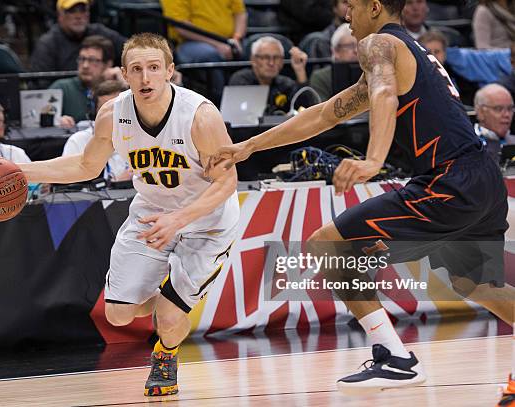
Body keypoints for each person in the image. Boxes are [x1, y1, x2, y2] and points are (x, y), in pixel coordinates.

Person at [210, 0, 514, 397]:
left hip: (448, 180)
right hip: (482, 178)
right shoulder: (406, 49)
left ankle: (394, 358)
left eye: (351, 6)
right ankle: (394, 357)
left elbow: (386, 93)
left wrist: (374, 159)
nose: (346, 15)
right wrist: (248, 146)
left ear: (374, 6)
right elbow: (324, 115)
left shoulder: (379, 44)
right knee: (477, 285)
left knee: (327, 244)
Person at [18, 33, 239, 397]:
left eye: (154, 68)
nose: (145, 77)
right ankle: (170, 299)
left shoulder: (200, 116)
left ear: (170, 71)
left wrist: (180, 219)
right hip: (151, 215)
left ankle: (166, 352)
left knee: (168, 319)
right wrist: (23, 171)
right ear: (124, 74)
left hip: (206, 221)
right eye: (136, 69)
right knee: (118, 314)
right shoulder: (113, 114)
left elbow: (227, 182)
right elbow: (87, 165)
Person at [161, 0, 247, 98]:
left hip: (231, 40)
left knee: (257, 49)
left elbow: (240, 13)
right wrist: (218, 44)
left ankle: (251, 102)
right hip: (189, 42)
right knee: (210, 54)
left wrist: (236, 38)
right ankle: (219, 102)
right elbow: (181, 26)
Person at [30, 0, 126, 72]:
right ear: (60, 15)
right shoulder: (47, 44)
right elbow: (41, 86)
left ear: (88, 13)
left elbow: (132, 51)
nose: (78, 16)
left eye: (82, 10)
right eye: (72, 11)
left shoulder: (100, 32)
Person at [62, 80, 131, 181]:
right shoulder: (78, 141)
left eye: (118, 108)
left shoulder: (141, 137)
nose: (112, 115)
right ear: (94, 113)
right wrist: (117, 182)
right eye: (105, 109)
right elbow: (68, 187)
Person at [228, 36, 313, 114]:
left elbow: (305, 110)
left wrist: (300, 70)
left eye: (276, 58)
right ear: (253, 60)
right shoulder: (240, 80)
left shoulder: (285, 84)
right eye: (265, 57)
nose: (271, 63)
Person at [49, 35, 116, 124]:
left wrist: (125, 82)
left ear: (108, 64)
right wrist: (57, 121)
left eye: (92, 60)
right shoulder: (62, 88)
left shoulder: (117, 90)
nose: (85, 65)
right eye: (82, 59)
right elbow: (39, 119)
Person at [308, 23, 359, 101]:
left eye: (359, 45)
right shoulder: (321, 78)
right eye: (350, 46)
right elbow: (320, 109)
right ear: (335, 51)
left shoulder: (370, 72)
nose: (356, 50)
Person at [474, 83, 515, 163]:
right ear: (481, 112)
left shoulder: (513, 141)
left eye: (510, 108)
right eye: (498, 109)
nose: (507, 114)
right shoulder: (468, 146)